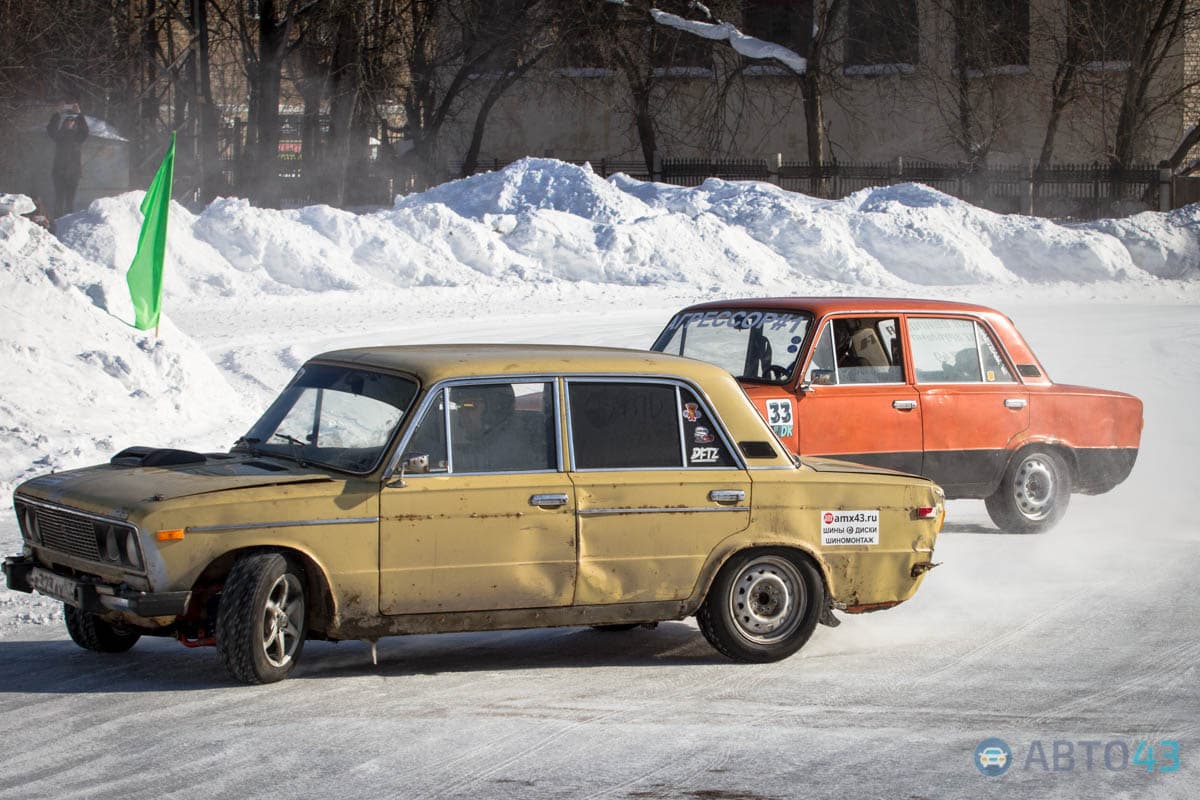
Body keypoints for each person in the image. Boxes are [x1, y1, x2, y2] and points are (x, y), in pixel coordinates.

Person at [46, 102, 89, 217]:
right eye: (68, 121)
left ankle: (68, 220)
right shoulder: (59, 136)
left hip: (73, 173)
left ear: (75, 124)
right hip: (59, 172)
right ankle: (57, 219)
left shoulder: (78, 137)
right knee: (59, 198)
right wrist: (57, 113)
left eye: (72, 121)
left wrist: (79, 114)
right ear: (64, 124)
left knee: (70, 200)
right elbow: (51, 129)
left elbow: (85, 131)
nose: (70, 123)